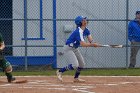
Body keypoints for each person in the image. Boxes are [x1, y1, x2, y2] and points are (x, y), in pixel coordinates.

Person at [56, 16, 100, 82]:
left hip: (75, 48)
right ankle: (60, 71)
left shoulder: (86, 30)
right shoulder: (78, 32)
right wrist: (93, 45)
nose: (85, 20)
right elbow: (83, 44)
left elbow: (91, 40)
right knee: (75, 65)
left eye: (85, 19)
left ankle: (76, 78)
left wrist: (94, 43)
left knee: (82, 64)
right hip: (68, 48)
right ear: (80, 22)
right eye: (83, 20)